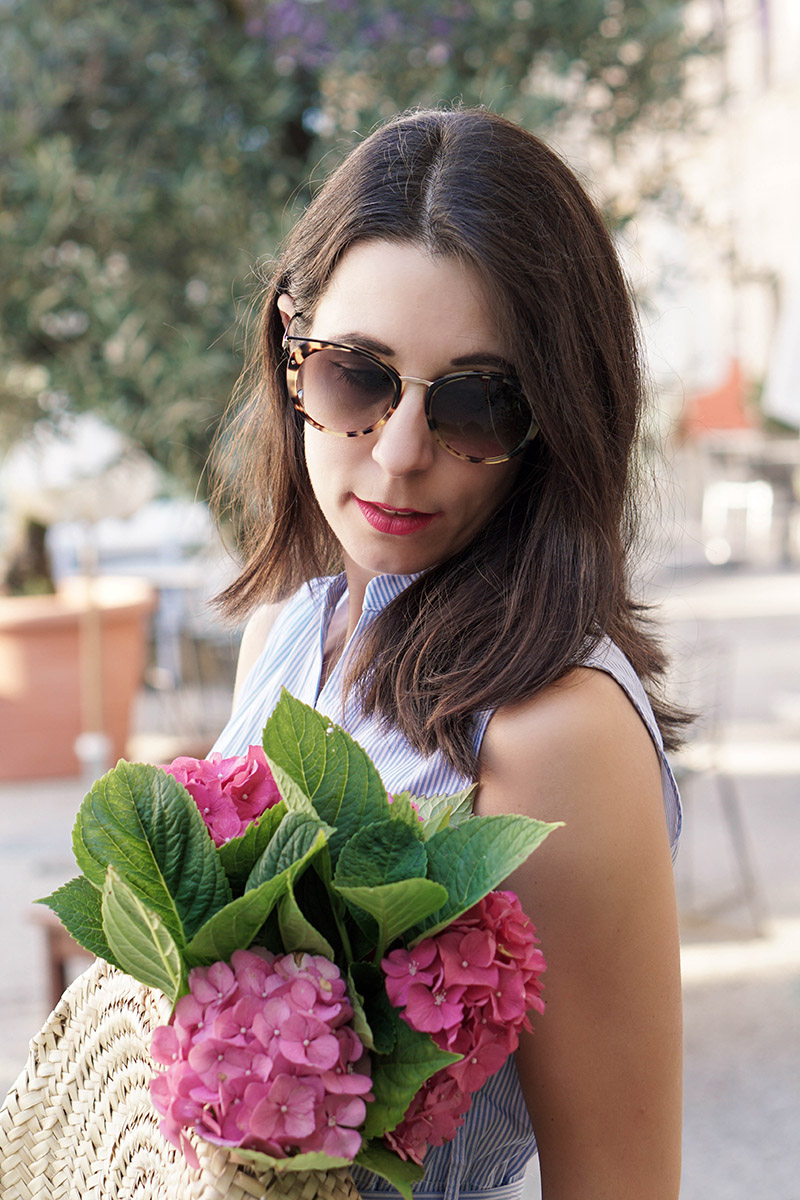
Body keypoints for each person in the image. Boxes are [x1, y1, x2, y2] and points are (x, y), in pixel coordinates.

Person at [210, 107, 684, 1200]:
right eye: (355, 376)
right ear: (291, 357)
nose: (400, 451)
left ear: (555, 419)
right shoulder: (285, 638)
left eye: (475, 401)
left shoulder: (551, 736)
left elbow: (617, 1183)